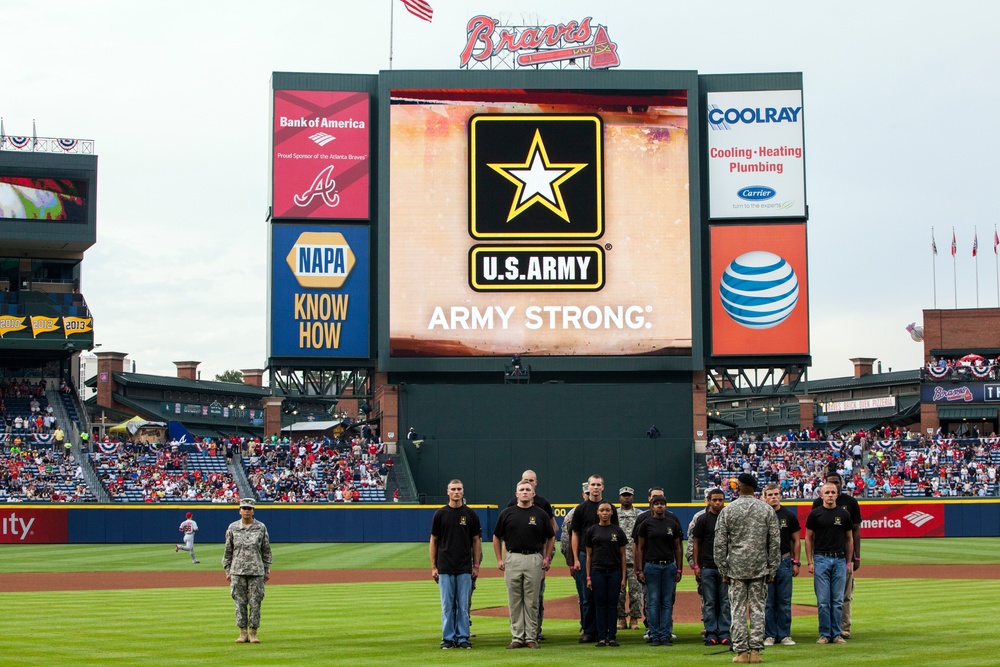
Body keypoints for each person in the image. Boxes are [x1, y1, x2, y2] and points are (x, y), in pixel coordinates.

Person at [715, 474, 780, 664]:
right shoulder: (767, 510)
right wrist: (772, 569)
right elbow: (775, 543)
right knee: (758, 610)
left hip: (736, 568)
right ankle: (756, 652)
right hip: (760, 568)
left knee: (737, 610)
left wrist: (723, 570)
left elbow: (720, 544)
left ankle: (742, 652)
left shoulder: (729, 510)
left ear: (740, 486)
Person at [493, 479, 555, 649]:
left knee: (532, 600)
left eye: (528, 489)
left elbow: (551, 536)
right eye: (522, 489)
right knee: (514, 600)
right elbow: (496, 536)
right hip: (513, 557)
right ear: (516, 493)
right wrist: (499, 558)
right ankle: (517, 637)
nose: (525, 492)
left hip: (534, 558)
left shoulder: (540, 514)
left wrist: (547, 557)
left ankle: (531, 637)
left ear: (533, 493)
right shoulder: (507, 513)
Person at [429, 479, 482, 650]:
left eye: (459, 489)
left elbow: (476, 540)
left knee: (463, 605)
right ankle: (448, 637)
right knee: (447, 605)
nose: (456, 492)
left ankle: (463, 637)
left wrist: (476, 565)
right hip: (445, 565)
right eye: (453, 489)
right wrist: (433, 566)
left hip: (464, 566)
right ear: (448, 492)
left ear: (463, 491)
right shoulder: (440, 514)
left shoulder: (470, 514)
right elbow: (434, 540)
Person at [811, 471, 862, 639]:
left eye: (836, 484)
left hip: (842, 557)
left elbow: (854, 533)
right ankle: (826, 632)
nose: (832, 491)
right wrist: (811, 560)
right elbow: (811, 535)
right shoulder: (817, 505)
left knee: (844, 596)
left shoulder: (850, 503)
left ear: (840, 485)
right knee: (824, 599)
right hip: (822, 555)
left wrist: (855, 557)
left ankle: (843, 628)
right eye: (829, 486)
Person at [570, 474, 619, 643]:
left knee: (605, 598)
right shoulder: (581, 509)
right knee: (587, 597)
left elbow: (616, 534)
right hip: (585, 555)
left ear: (603, 487)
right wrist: (575, 558)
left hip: (606, 558)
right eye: (593, 484)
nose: (596, 487)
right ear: (588, 487)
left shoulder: (610, 508)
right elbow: (575, 534)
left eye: (598, 484)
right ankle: (589, 631)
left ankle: (604, 632)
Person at [635, 494, 682, 647]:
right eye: (657, 504)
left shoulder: (672, 523)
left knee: (667, 602)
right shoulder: (646, 524)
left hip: (669, 566)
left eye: (662, 504)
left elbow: (677, 547)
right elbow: (640, 548)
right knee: (653, 602)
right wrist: (639, 570)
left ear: (666, 506)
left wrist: (679, 568)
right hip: (651, 566)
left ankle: (665, 635)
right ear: (652, 507)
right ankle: (654, 635)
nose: (660, 506)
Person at [222, 498, 272, 644]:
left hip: (256, 570)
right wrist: (227, 570)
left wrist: (266, 569)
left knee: (256, 602)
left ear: (253, 511)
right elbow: (228, 550)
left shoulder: (261, 527)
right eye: (244, 508)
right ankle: (242, 632)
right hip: (237, 570)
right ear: (240, 510)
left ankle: (253, 633)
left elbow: (266, 549)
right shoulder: (232, 527)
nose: (247, 511)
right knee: (239, 602)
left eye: (249, 508)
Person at [583, 500, 628, 647]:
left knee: (612, 605)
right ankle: (601, 637)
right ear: (598, 512)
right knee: (600, 605)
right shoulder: (592, 531)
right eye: (602, 510)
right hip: (598, 572)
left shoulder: (617, 531)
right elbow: (589, 556)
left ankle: (612, 636)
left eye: (607, 510)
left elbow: (622, 556)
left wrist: (623, 577)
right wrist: (588, 576)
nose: (604, 513)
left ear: (611, 512)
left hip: (614, 572)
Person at [763, 483, 801, 647]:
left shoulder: (789, 515)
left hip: (784, 559)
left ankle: (784, 634)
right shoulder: (761, 515)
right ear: (764, 497)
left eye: (776, 494)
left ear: (780, 496)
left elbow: (796, 540)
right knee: (768, 602)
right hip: (766, 562)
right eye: (770, 494)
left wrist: (796, 562)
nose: (773, 497)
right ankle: (770, 635)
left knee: (784, 601)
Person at [691, 488, 731, 646]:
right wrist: (696, 565)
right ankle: (711, 633)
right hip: (707, 566)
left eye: (720, 500)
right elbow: (696, 543)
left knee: (725, 601)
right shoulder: (703, 519)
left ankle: (724, 632)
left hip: (725, 567)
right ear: (708, 500)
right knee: (709, 602)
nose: (718, 503)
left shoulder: (728, 518)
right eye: (714, 500)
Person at [615, 486, 643, 631]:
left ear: (633, 497)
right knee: (618, 592)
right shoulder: (614, 514)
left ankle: (634, 619)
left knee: (636, 592)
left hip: (634, 560)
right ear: (619, 497)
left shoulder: (640, 515)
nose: (626, 497)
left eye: (629, 495)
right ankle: (620, 618)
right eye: (624, 495)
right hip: (617, 560)